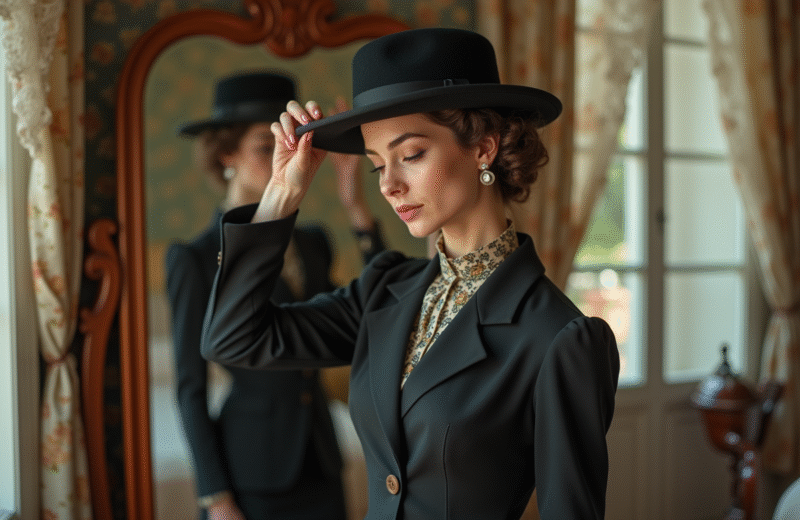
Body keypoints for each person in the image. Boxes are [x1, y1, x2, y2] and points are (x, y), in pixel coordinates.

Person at [201, 29, 620, 520]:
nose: (390, 185)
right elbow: (233, 338)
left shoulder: (560, 338)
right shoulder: (384, 290)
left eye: (412, 154)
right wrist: (280, 194)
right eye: (378, 166)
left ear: (483, 147)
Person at [166, 71, 385, 520]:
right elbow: (190, 388)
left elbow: (371, 315)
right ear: (226, 153)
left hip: (322, 457)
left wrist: (355, 207)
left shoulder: (313, 242)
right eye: (264, 148)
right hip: (251, 469)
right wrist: (216, 496)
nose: (281, 157)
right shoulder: (196, 258)